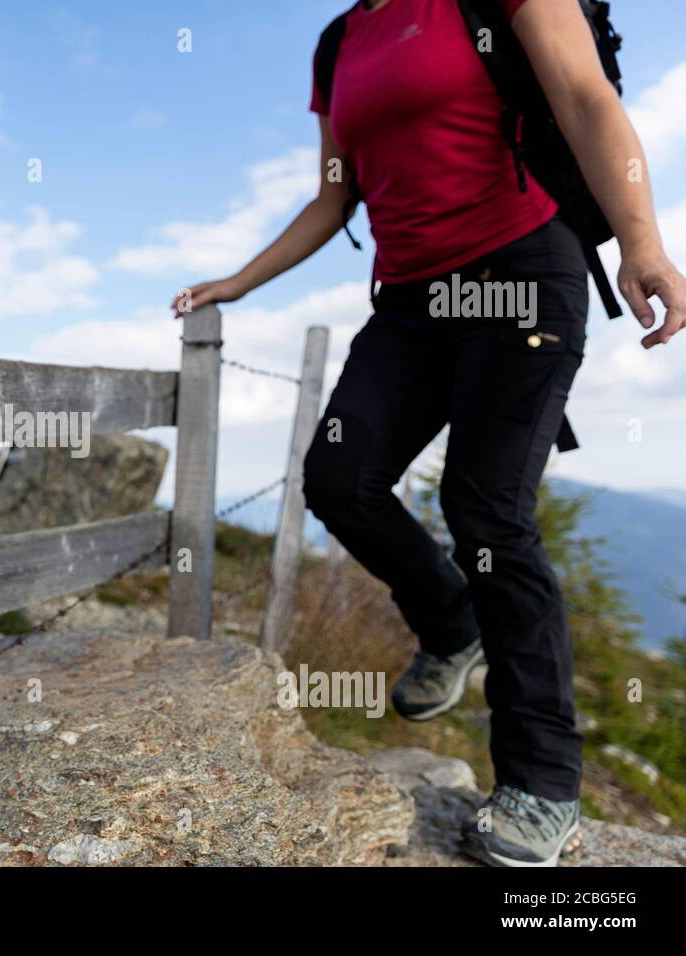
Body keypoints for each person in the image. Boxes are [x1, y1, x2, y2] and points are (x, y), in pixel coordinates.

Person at [173, 0, 685, 866]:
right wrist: (238, 281)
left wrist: (642, 240)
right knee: (339, 480)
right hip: (411, 301)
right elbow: (337, 195)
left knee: (486, 509)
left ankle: (543, 784)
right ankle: (451, 622)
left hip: (523, 273)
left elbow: (588, 102)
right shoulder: (338, 42)